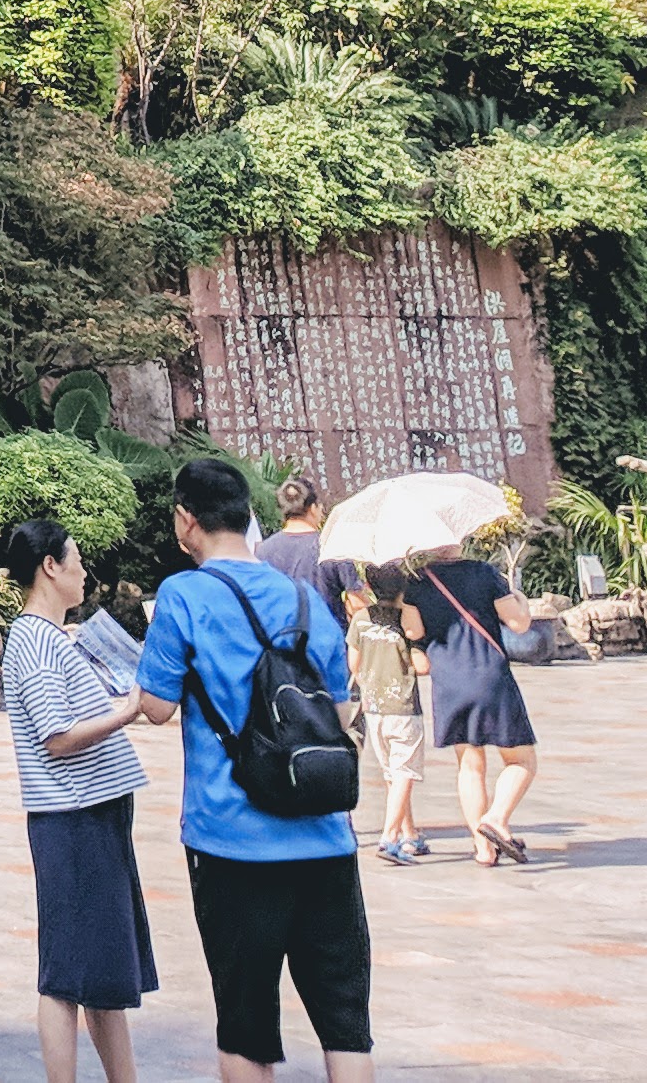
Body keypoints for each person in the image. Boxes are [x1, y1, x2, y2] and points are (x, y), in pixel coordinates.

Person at [130, 456, 372, 1083]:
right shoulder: (303, 597)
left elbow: (156, 707)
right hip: (324, 836)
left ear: (187, 521)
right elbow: (343, 709)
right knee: (346, 1023)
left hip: (232, 840)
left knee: (246, 1024)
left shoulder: (183, 595)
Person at [1, 517, 157, 1083]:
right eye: (77, 559)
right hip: (73, 818)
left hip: (88, 815)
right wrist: (127, 710)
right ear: (50, 567)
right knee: (67, 972)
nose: (85, 571)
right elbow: (58, 736)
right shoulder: (38, 641)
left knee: (103, 973)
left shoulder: (52, 638)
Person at [409, 535, 540, 867]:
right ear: (460, 539)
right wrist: (520, 599)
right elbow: (519, 623)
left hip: (449, 682)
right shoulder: (484, 573)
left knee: (470, 767)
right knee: (521, 760)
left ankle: (483, 849)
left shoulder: (418, 582)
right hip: (489, 676)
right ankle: (496, 818)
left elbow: (413, 633)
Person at [344, 568, 433, 866]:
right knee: (405, 771)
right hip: (404, 706)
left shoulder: (361, 619)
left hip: (373, 706)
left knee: (392, 774)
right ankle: (390, 836)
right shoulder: (407, 618)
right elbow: (421, 660)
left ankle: (410, 833)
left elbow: (353, 664)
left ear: (369, 585)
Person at [260, 477, 331, 608]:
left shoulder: (263, 551)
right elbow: (355, 602)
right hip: (326, 626)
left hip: (279, 627)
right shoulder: (329, 546)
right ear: (313, 508)